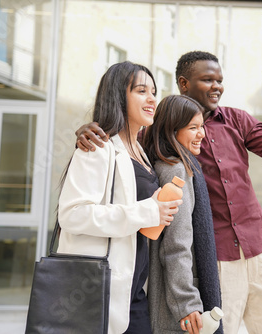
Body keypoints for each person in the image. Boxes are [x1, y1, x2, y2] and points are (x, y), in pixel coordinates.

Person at [75, 51, 262, 334]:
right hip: (218, 261)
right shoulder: (162, 128)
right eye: (207, 79)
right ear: (184, 83)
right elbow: (123, 139)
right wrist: (91, 129)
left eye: (220, 80)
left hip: (261, 248)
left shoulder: (238, 120)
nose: (216, 87)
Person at [58, 61, 182, 334]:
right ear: (117, 95)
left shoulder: (141, 151)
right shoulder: (97, 147)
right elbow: (72, 214)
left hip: (134, 290)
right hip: (99, 290)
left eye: (153, 91)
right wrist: (149, 212)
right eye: (141, 91)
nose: (152, 99)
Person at [142, 94, 222, 334]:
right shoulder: (175, 169)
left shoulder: (162, 163)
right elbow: (177, 242)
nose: (202, 134)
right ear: (171, 130)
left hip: (173, 293)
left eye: (202, 127)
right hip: (176, 302)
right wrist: (187, 302)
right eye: (193, 128)